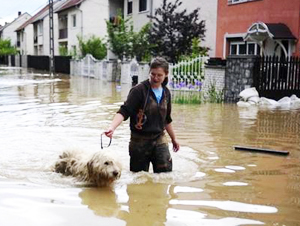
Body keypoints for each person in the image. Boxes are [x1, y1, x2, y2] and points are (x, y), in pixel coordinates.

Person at [104, 57, 180, 173]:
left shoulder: (166, 93)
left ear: (166, 74)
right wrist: (112, 127)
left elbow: (167, 120)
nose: (155, 78)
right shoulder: (139, 90)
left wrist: (174, 139)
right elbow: (124, 111)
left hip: (159, 139)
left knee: (165, 174)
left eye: (159, 75)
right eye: (152, 74)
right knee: (138, 177)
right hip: (139, 141)